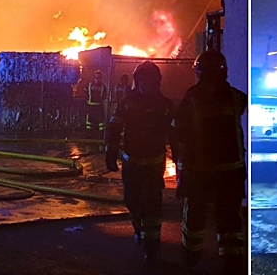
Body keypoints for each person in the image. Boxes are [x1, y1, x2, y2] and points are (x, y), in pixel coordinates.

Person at [174, 50, 247, 275]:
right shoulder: (237, 97)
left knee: (195, 216)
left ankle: (191, 257)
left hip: (199, 171)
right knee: (230, 218)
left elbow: (178, 132)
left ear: (199, 72)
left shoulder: (192, 97)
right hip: (232, 171)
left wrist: (181, 170)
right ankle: (232, 260)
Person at [105, 61, 175, 263]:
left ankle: (151, 248)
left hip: (154, 164)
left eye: (151, 81)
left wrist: (181, 163)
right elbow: (114, 128)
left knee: (153, 204)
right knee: (131, 200)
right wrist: (110, 154)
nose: (147, 85)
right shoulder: (128, 102)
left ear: (158, 82)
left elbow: (176, 137)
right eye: (143, 81)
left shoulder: (165, 105)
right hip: (131, 161)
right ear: (138, 82)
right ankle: (139, 227)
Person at [86, 69, 107, 134]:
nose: (97, 79)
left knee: (101, 121)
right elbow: (86, 93)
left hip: (98, 105)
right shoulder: (89, 84)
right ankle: (89, 133)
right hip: (90, 105)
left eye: (99, 78)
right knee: (90, 120)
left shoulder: (103, 86)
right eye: (96, 77)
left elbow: (104, 95)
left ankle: (100, 134)